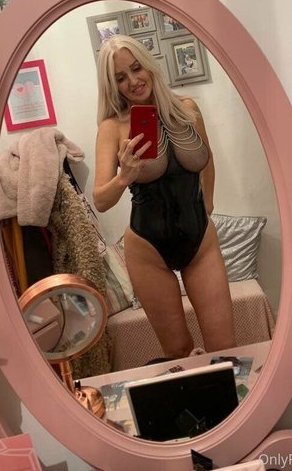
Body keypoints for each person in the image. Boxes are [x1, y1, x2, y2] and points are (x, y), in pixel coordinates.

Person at [93, 34, 236, 359]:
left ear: (148, 65)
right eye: (120, 77)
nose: (133, 81)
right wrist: (124, 177)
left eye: (136, 68)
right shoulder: (113, 128)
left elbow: (207, 158)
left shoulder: (187, 109)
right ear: (112, 85)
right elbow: (100, 199)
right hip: (148, 249)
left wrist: (208, 204)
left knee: (225, 347)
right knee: (178, 350)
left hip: (200, 240)